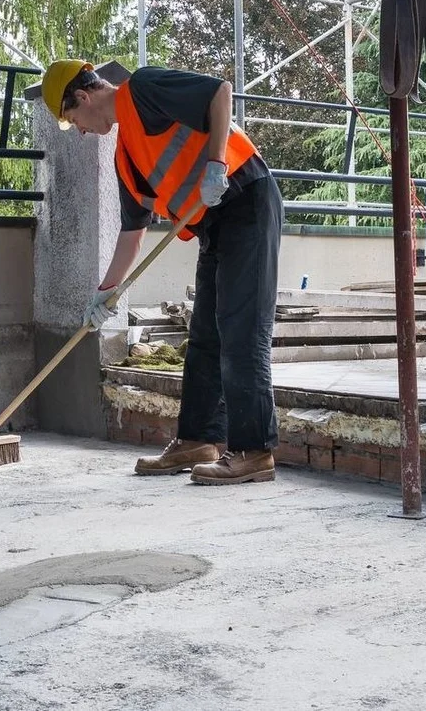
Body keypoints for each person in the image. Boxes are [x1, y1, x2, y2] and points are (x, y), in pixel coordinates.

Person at [40, 59, 282, 485]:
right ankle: (198, 440)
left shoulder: (145, 88)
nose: (78, 130)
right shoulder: (125, 159)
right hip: (214, 222)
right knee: (206, 336)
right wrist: (105, 294)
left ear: (82, 97)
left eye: (72, 119)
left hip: (246, 196)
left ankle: (254, 451)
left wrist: (216, 164)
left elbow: (219, 92)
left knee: (240, 328)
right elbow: (132, 233)